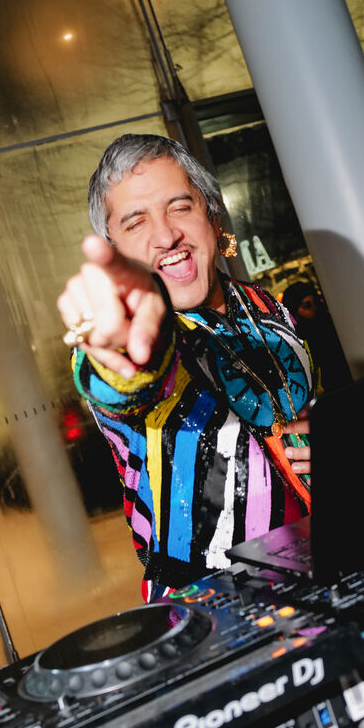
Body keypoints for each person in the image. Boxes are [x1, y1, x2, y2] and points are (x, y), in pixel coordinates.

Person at [56, 134, 313, 600]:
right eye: (135, 222)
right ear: (113, 251)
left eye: (179, 207)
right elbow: (126, 378)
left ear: (212, 216)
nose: (165, 235)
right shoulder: (145, 335)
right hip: (214, 604)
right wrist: (117, 354)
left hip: (324, 564)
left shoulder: (266, 306)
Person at [281, 280, 353, 391]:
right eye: (307, 306)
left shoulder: (332, 327)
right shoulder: (297, 343)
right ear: (294, 311)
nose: (315, 308)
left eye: (316, 303)